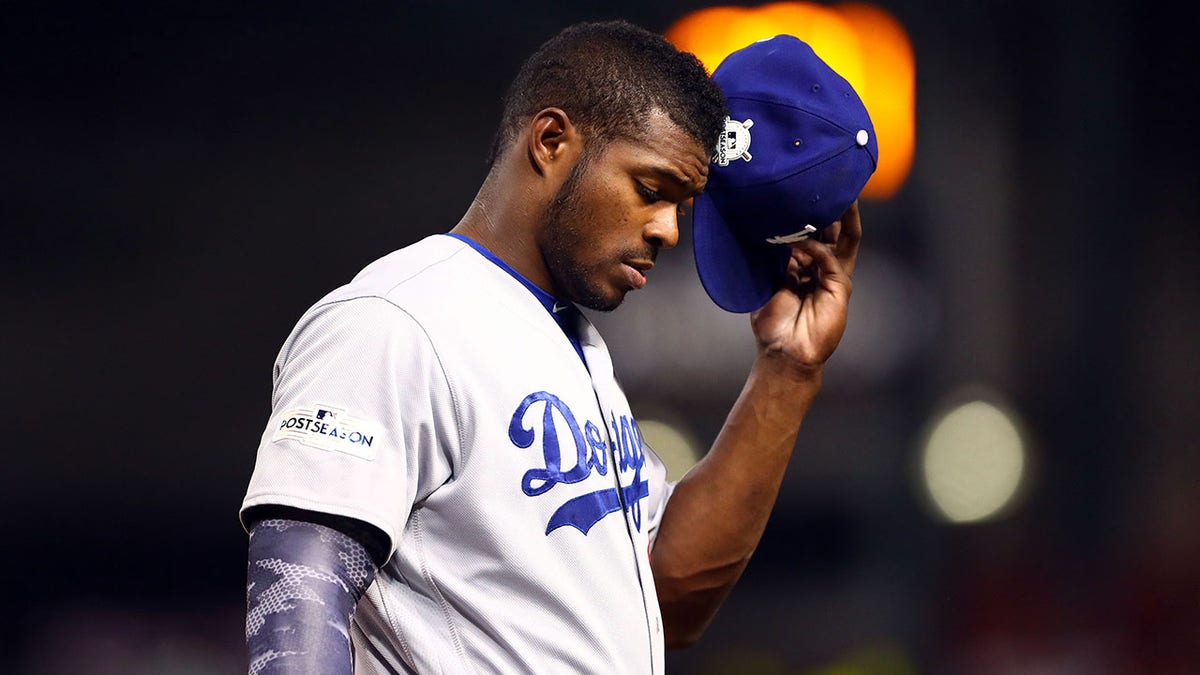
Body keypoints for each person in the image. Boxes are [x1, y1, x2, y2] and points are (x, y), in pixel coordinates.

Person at [240, 20, 866, 674]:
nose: (667, 229)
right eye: (651, 190)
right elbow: (299, 586)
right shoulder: (396, 320)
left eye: (681, 206)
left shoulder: (575, 347)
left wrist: (787, 370)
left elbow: (670, 601)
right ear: (551, 140)